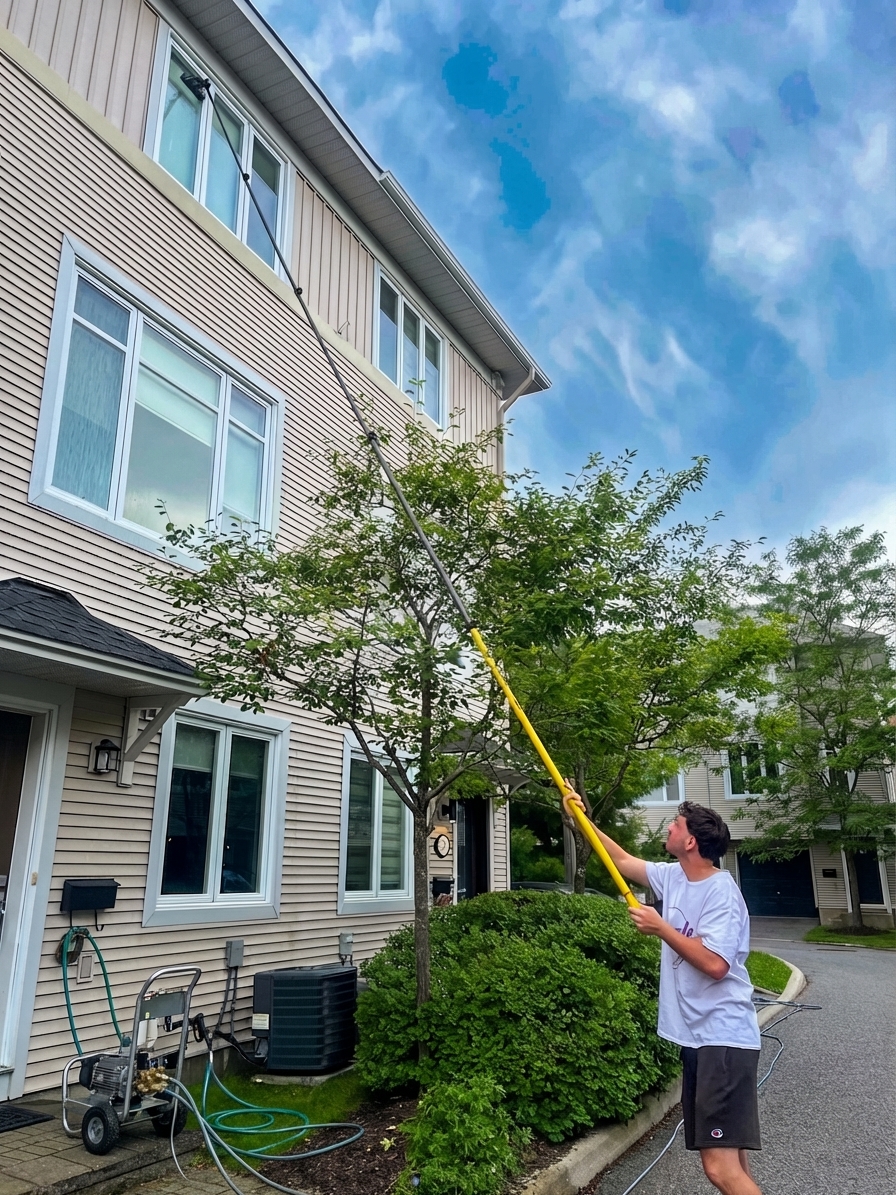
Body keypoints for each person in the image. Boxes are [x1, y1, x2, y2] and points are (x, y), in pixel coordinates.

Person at [563, 786, 763, 1195]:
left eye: (675, 824)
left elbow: (715, 964)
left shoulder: (720, 892)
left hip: (721, 1039)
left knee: (720, 1169)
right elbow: (619, 860)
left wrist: (662, 928)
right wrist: (580, 816)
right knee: (734, 1161)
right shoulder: (674, 876)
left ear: (690, 841)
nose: (668, 827)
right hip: (703, 1040)